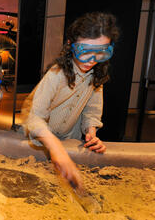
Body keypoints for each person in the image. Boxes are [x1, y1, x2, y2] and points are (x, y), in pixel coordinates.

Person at [20, 12, 120, 189]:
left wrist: (91, 133)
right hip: (41, 141)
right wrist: (55, 148)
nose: (92, 60)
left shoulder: (97, 75)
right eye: (85, 51)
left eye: (101, 53)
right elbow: (34, 117)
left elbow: (92, 110)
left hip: (68, 139)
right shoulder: (57, 74)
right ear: (70, 45)